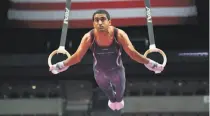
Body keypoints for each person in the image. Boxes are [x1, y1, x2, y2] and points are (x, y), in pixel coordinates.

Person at [49, 10, 164, 111]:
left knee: (119, 96)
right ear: (93, 23)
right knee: (108, 93)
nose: (100, 23)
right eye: (96, 20)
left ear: (109, 22)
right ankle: (112, 99)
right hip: (99, 73)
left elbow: (132, 53)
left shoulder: (119, 34)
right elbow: (78, 56)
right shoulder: (89, 37)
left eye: (103, 19)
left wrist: (150, 63)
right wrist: (61, 65)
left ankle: (117, 100)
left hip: (117, 71)